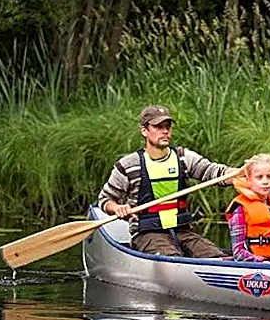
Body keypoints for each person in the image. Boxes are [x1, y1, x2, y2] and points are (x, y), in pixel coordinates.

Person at [98, 104, 238, 257]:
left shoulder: (184, 157)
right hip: (147, 234)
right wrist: (117, 208)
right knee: (172, 257)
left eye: (168, 127)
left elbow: (214, 172)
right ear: (144, 131)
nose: (165, 131)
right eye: (158, 127)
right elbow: (105, 199)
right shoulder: (128, 165)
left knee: (217, 256)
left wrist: (240, 173)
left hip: (182, 230)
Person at [225, 153, 270, 263]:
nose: (265, 181)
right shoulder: (240, 208)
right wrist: (261, 262)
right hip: (253, 263)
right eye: (259, 177)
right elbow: (238, 252)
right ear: (249, 179)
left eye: (269, 176)